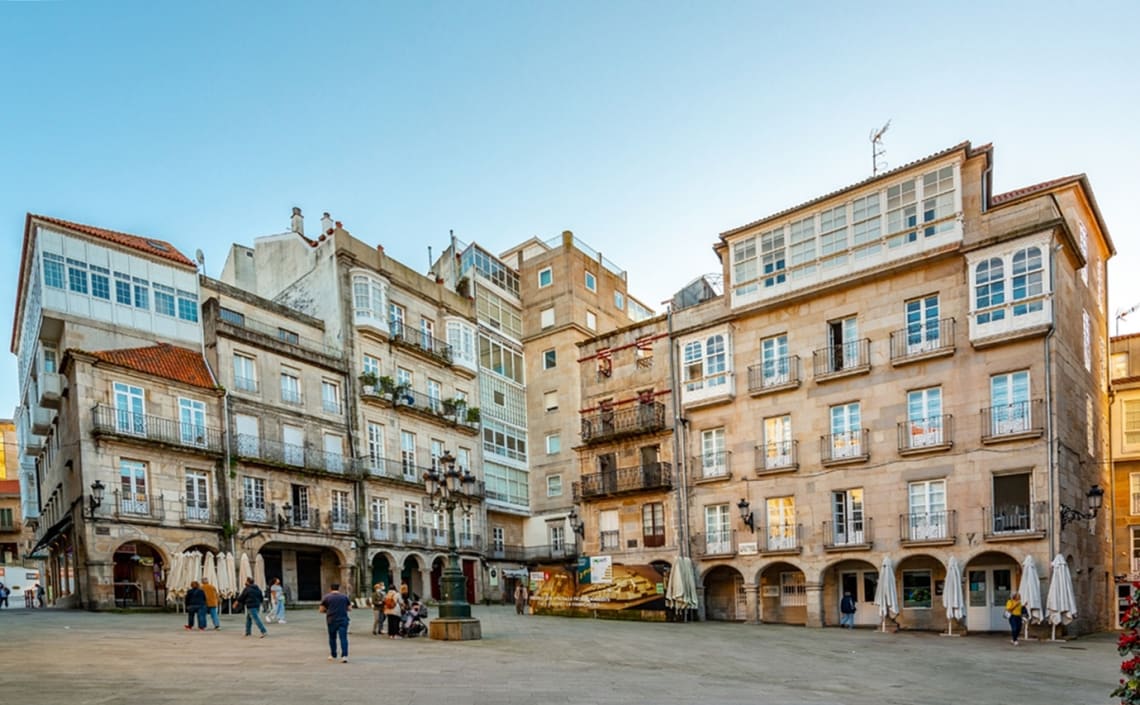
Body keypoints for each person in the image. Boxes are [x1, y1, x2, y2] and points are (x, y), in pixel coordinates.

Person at [319, 583, 352, 662]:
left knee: (332, 638)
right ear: (339, 589)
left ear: (330, 589)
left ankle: (333, 654)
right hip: (343, 619)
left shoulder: (326, 597)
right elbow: (350, 608)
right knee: (343, 638)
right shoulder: (344, 597)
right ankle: (344, 656)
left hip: (331, 619)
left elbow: (321, 610)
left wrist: (328, 611)